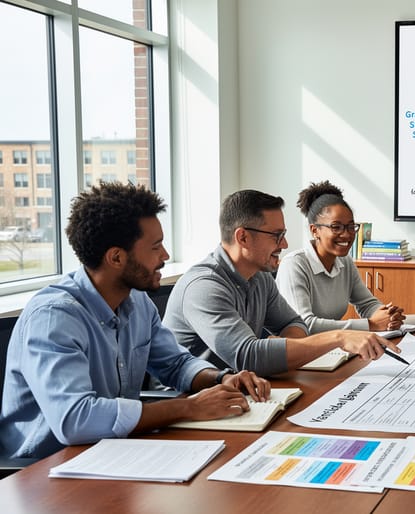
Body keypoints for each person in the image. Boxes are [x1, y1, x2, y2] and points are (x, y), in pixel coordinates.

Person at [0, 183, 270, 460]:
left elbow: (175, 363)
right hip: (43, 469)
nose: (165, 255)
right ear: (116, 257)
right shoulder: (53, 318)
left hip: (112, 453)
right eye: (156, 247)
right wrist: (188, 407)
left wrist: (221, 378)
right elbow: (75, 419)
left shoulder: (137, 302)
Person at [164, 189, 400, 377]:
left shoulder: (260, 277)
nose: (285, 244)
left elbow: (293, 323)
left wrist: (294, 348)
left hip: (237, 391)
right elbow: (248, 356)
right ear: (243, 237)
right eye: (276, 235)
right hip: (187, 402)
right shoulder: (204, 286)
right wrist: (338, 337)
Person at [276, 181, 406, 333]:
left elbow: (367, 304)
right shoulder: (294, 265)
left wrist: (386, 315)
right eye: (336, 227)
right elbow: (304, 325)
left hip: (332, 346)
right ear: (315, 230)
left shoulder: (344, 261)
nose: (346, 234)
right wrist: (370, 324)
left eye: (351, 227)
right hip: (300, 351)